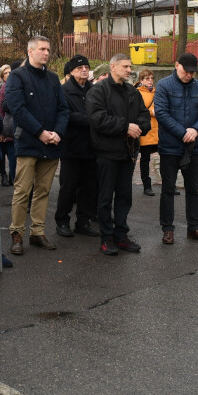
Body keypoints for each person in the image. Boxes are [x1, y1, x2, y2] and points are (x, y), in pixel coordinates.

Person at [3, 36, 68, 255]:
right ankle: (17, 233)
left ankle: (38, 232)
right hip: (29, 142)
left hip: (51, 143)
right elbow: (17, 109)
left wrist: (57, 133)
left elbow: (63, 109)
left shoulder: (52, 78)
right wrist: (40, 133)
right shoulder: (17, 77)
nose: (47, 53)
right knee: (22, 191)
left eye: (48, 49)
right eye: (42, 49)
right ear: (30, 52)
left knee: (43, 191)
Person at [87, 54, 151, 255]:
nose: (129, 70)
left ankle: (121, 235)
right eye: (125, 66)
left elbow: (144, 116)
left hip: (128, 153)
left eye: (130, 66)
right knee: (105, 197)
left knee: (124, 196)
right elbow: (98, 119)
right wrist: (125, 127)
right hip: (106, 153)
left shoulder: (132, 91)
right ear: (112, 67)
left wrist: (139, 128)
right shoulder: (98, 91)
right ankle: (106, 238)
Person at [154, 53, 198, 245]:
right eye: (186, 71)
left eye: (193, 72)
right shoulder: (164, 85)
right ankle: (168, 229)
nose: (189, 75)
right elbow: (161, 113)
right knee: (168, 190)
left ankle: (194, 227)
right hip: (170, 147)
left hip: (192, 148)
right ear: (177, 65)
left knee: (193, 190)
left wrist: (195, 130)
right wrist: (183, 133)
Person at [55, 55, 99, 238]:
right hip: (71, 147)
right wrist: (93, 120)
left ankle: (83, 221)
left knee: (89, 187)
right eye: (80, 68)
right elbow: (67, 116)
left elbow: (100, 110)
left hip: (91, 146)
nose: (84, 70)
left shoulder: (94, 90)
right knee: (68, 187)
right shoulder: (64, 91)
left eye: (87, 67)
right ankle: (62, 221)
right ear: (71, 71)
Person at [135, 70, 159, 197]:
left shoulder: (158, 91)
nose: (150, 80)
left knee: (167, 158)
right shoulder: (138, 93)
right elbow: (139, 109)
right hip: (147, 130)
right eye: (147, 78)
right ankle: (147, 185)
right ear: (142, 80)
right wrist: (151, 112)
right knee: (145, 159)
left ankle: (168, 184)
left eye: (151, 78)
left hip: (158, 130)